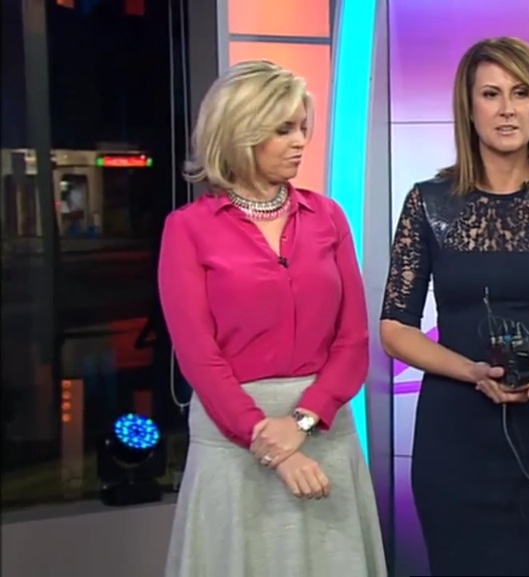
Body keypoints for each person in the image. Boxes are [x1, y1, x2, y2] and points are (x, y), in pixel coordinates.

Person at [380, 37, 529, 576]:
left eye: (521, 93)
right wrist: (469, 371)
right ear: (469, 108)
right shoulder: (427, 202)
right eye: (491, 94)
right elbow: (396, 328)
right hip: (454, 431)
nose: (507, 109)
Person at [159, 60, 386, 577]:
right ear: (241, 132)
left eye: (302, 127)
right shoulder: (188, 229)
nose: (300, 141)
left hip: (323, 430)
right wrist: (271, 443)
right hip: (233, 438)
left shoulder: (328, 217)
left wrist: (303, 421)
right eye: (283, 129)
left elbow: (352, 339)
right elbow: (199, 356)